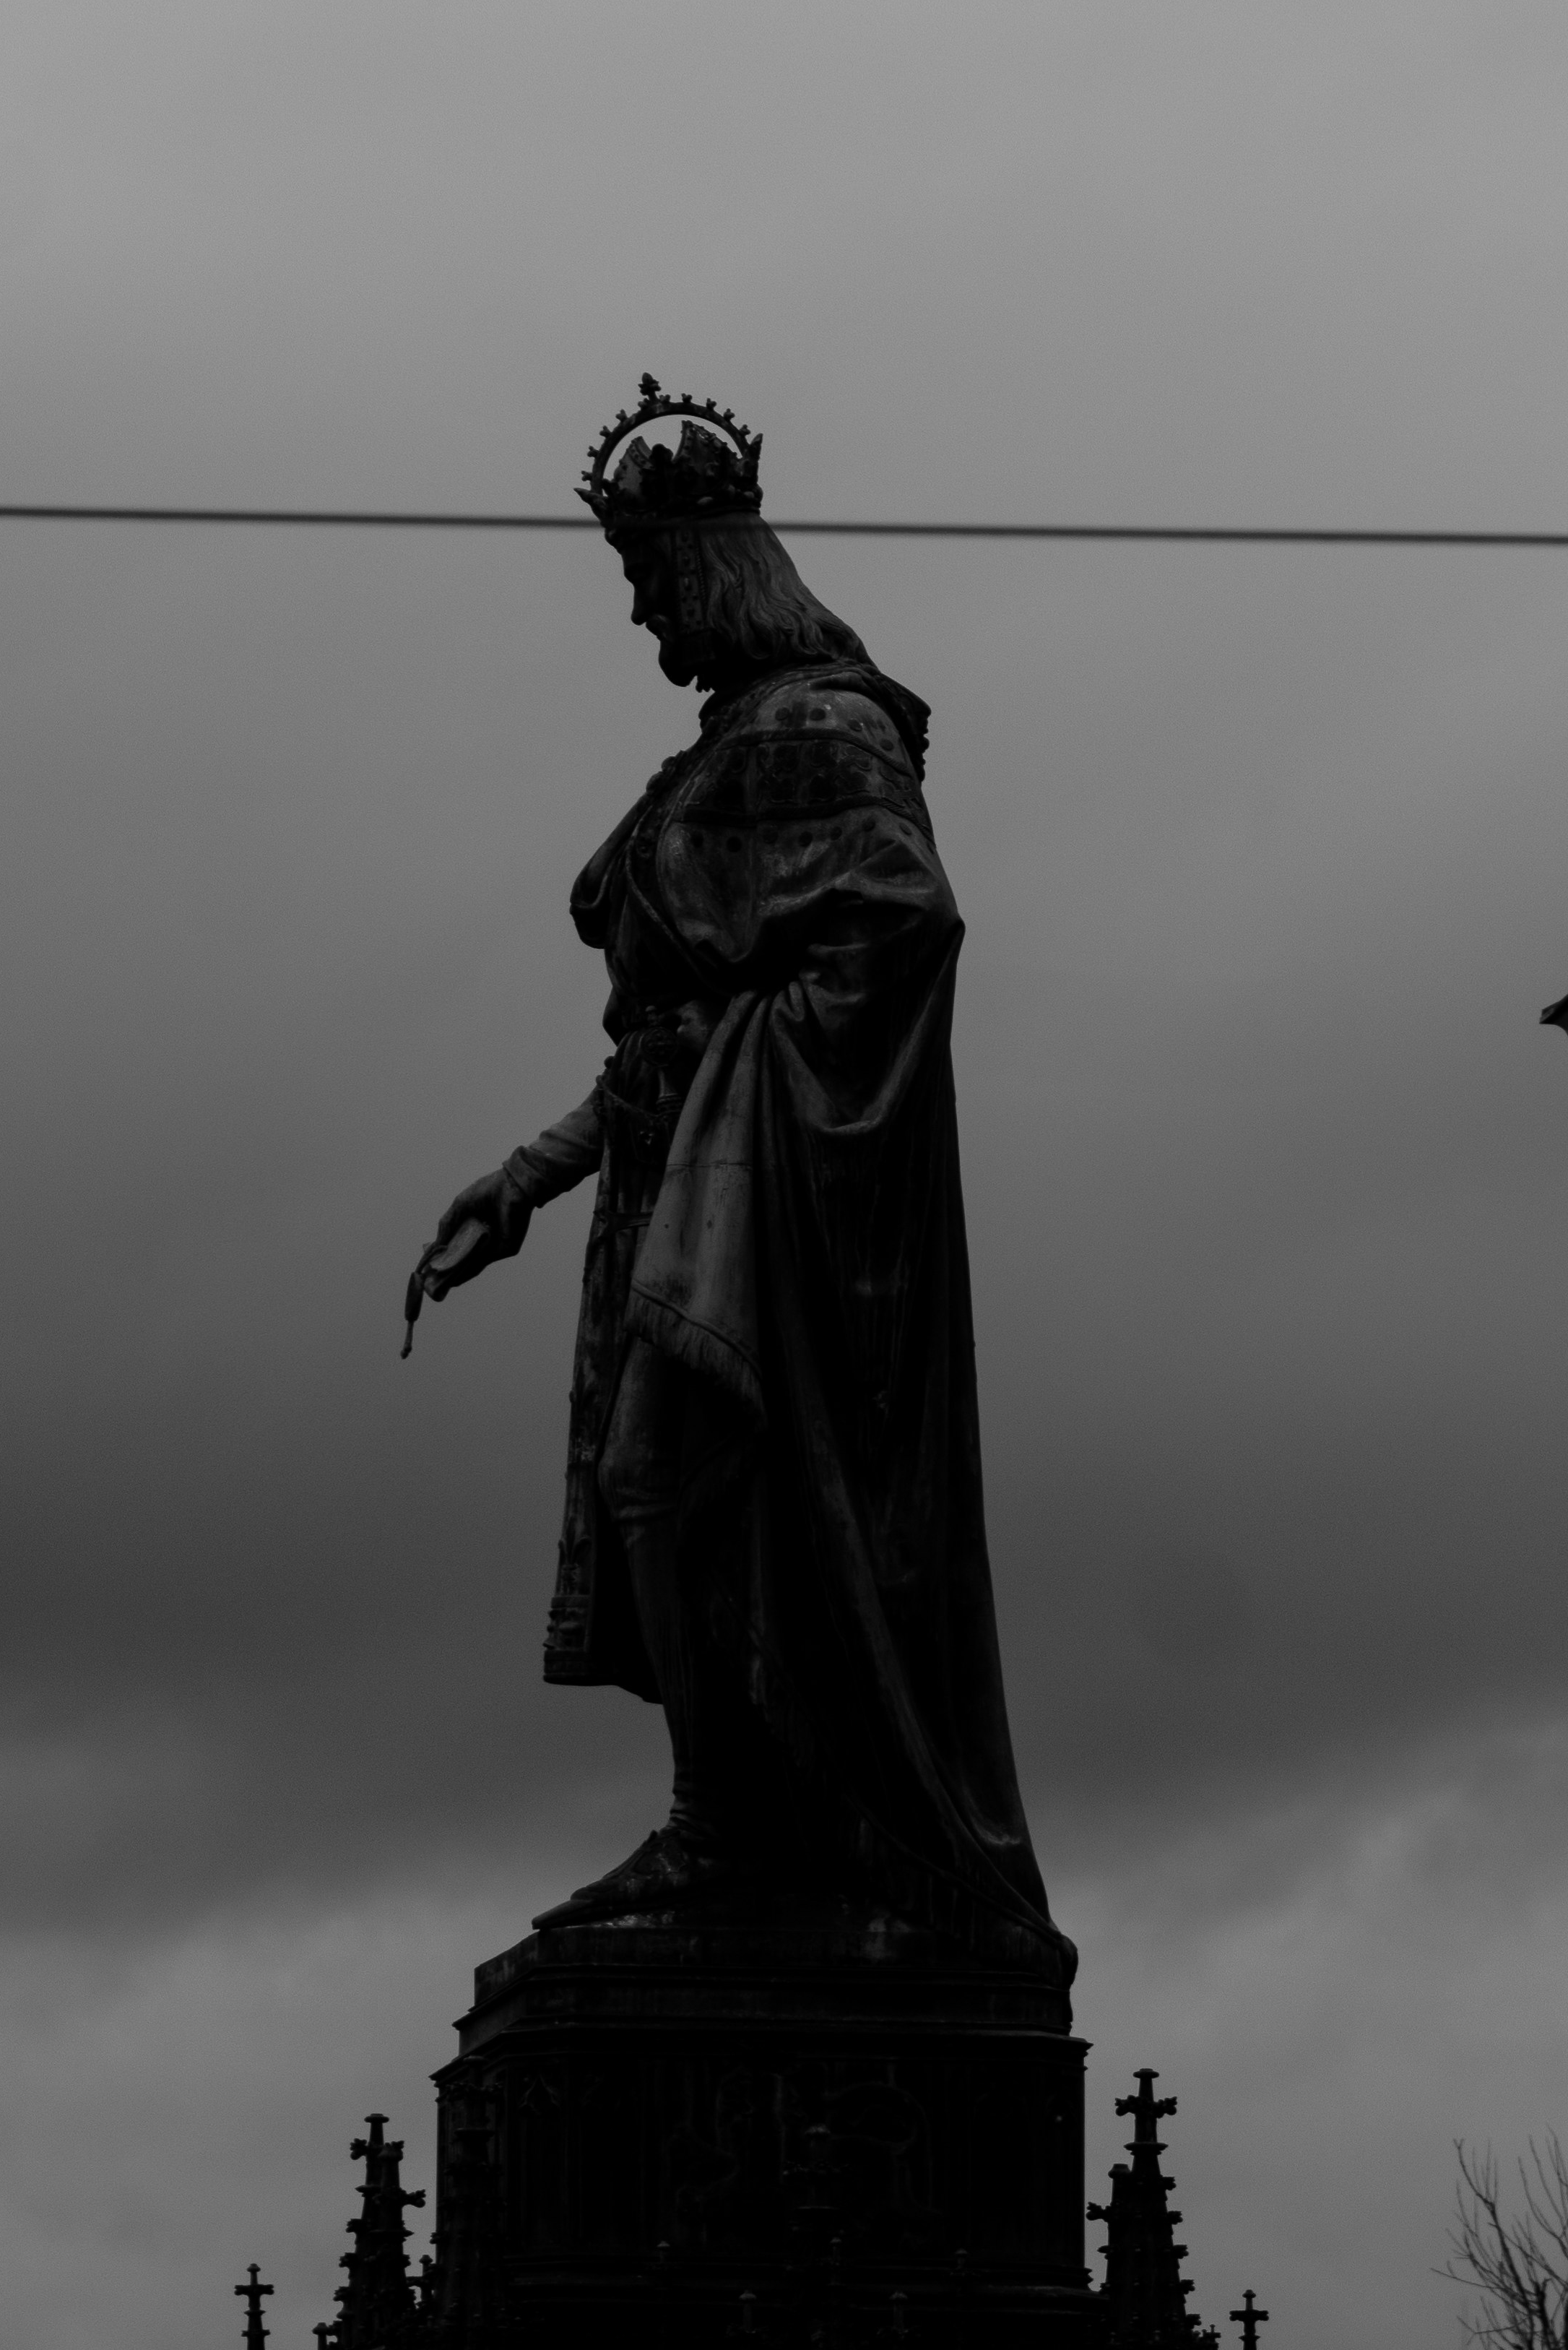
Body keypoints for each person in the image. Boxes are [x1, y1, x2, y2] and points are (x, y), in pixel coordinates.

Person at [405, 385, 1058, 1959]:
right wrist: (530, 1172)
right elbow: (655, 1034)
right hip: (682, 1171)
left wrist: (732, 1085)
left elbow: (897, 935)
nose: (646, 624)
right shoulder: (731, 749)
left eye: (648, 585)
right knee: (680, 1500)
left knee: (670, 1478)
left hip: (775, 1200)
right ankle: (735, 1812)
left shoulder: (824, 736)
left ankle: (736, 1821)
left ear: (707, 567)